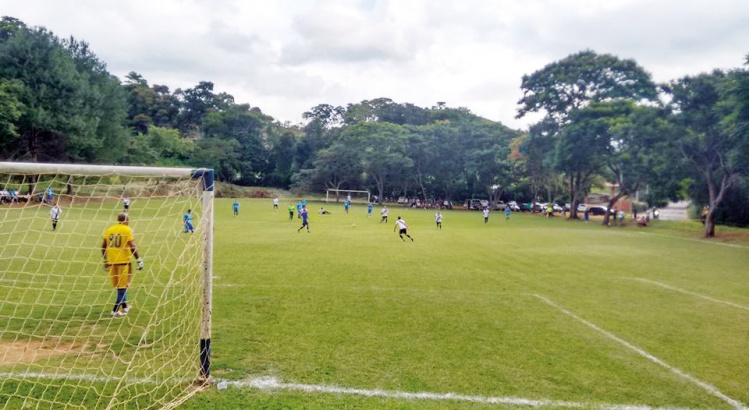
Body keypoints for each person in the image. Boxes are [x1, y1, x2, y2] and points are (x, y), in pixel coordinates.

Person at [101, 213, 143, 317]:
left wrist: (105, 261)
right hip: (124, 262)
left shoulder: (109, 229)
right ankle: (115, 310)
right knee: (122, 287)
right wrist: (138, 259)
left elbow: (103, 246)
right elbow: (132, 246)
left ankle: (125, 306)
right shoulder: (127, 229)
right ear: (126, 220)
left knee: (119, 286)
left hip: (112, 262)